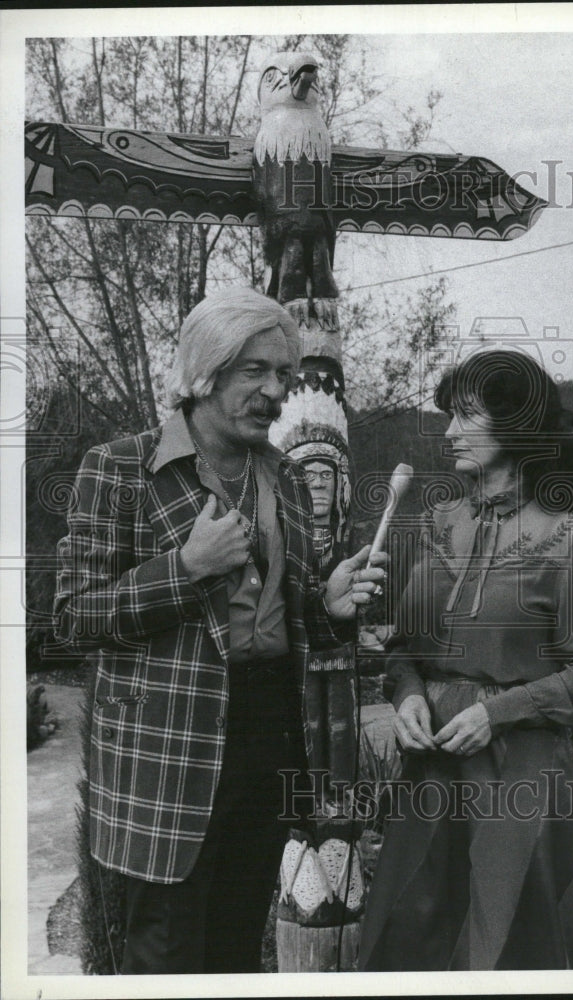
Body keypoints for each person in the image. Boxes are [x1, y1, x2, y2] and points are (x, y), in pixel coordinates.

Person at [53, 287, 385, 974]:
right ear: (205, 371)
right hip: (168, 756)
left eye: (285, 376)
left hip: (266, 743)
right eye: (254, 371)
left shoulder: (287, 477)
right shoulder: (119, 469)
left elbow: (291, 621)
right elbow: (73, 617)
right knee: (166, 959)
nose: (274, 391)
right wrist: (185, 568)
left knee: (236, 956)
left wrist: (330, 607)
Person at [358, 348, 573, 971]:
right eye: (449, 415)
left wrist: (498, 712)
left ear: (518, 426)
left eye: (466, 416)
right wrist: (404, 695)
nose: (450, 432)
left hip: (520, 783)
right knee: (414, 945)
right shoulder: (432, 526)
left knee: (508, 951)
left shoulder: (571, 540)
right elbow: (405, 649)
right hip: (430, 779)